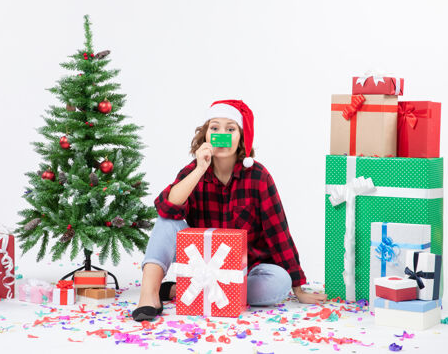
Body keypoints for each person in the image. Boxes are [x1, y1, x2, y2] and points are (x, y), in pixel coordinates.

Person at [132, 99, 326, 321]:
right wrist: (199, 169)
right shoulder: (193, 171)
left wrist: (297, 286)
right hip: (201, 262)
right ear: (205, 135)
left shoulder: (259, 176)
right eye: (214, 128)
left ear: (241, 138)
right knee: (167, 221)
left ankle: (184, 290)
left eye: (230, 129)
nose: (221, 134)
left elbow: (278, 231)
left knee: (278, 281)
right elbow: (167, 207)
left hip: (245, 271)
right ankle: (149, 295)